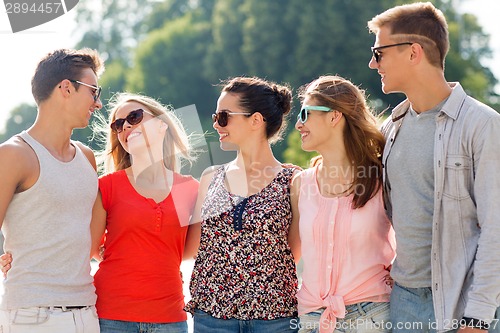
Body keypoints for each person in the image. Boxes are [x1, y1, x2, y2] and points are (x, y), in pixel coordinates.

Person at [367, 2, 500, 333]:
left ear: (413, 52)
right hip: (403, 301)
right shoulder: (391, 128)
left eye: (379, 52)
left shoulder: (482, 125)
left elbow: (496, 228)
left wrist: (478, 315)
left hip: (462, 303)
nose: (372, 63)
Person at [183, 76, 301, 333]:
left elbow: (292, 254)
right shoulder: (209, 177)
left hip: (275, 318)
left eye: (224, 117)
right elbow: (190, 248)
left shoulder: (294, 181)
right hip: (212, 316)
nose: (216, 124)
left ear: (256, 121)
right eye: (215, 117)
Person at [0, 48, 104, 332]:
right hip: (31, 316)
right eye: (94, 92)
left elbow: (92, 242)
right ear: (66, 88)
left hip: (86, 313)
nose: (99, 104)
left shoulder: (86, 157)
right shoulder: (13, 155)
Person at [292, 75, 396, 333]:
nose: (298, 124)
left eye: (305, 113)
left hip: (371, 316)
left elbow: (413, 239)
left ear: (333, 116)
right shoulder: (300, 184)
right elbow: (291, 255)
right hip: (311, 319)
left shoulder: (381, 177)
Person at [89, 92, 199, 333]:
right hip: (111, 317)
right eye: (118, 125)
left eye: (135, 117)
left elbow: (188, 250)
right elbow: (88, 248)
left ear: (161, 125)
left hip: (171, 317)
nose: (126, 126)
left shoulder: (189, 188)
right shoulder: (106, 186)